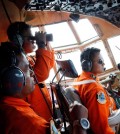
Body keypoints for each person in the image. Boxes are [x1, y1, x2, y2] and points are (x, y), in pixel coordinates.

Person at [7, 21, 55, 122]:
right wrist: (41, 44)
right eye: (30, 38)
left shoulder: (29, 58)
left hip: (43, 111)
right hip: (34, 115)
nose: (34, 40)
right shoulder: (15, 62)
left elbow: (49, 65)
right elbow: (41, 75)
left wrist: (46, 43)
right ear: (18, 39)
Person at [0, 42, 50, 134]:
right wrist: (79, 124)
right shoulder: (30, 124)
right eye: (27, 68)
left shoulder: (6, 109)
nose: (32, 73)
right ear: (13, 77)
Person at [73, 47, 117, 134]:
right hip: (110, 122)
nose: (104, 63)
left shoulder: (79, 79)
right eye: (100, 61)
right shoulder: (95, 89)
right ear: (87, 65)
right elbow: (100, 128)